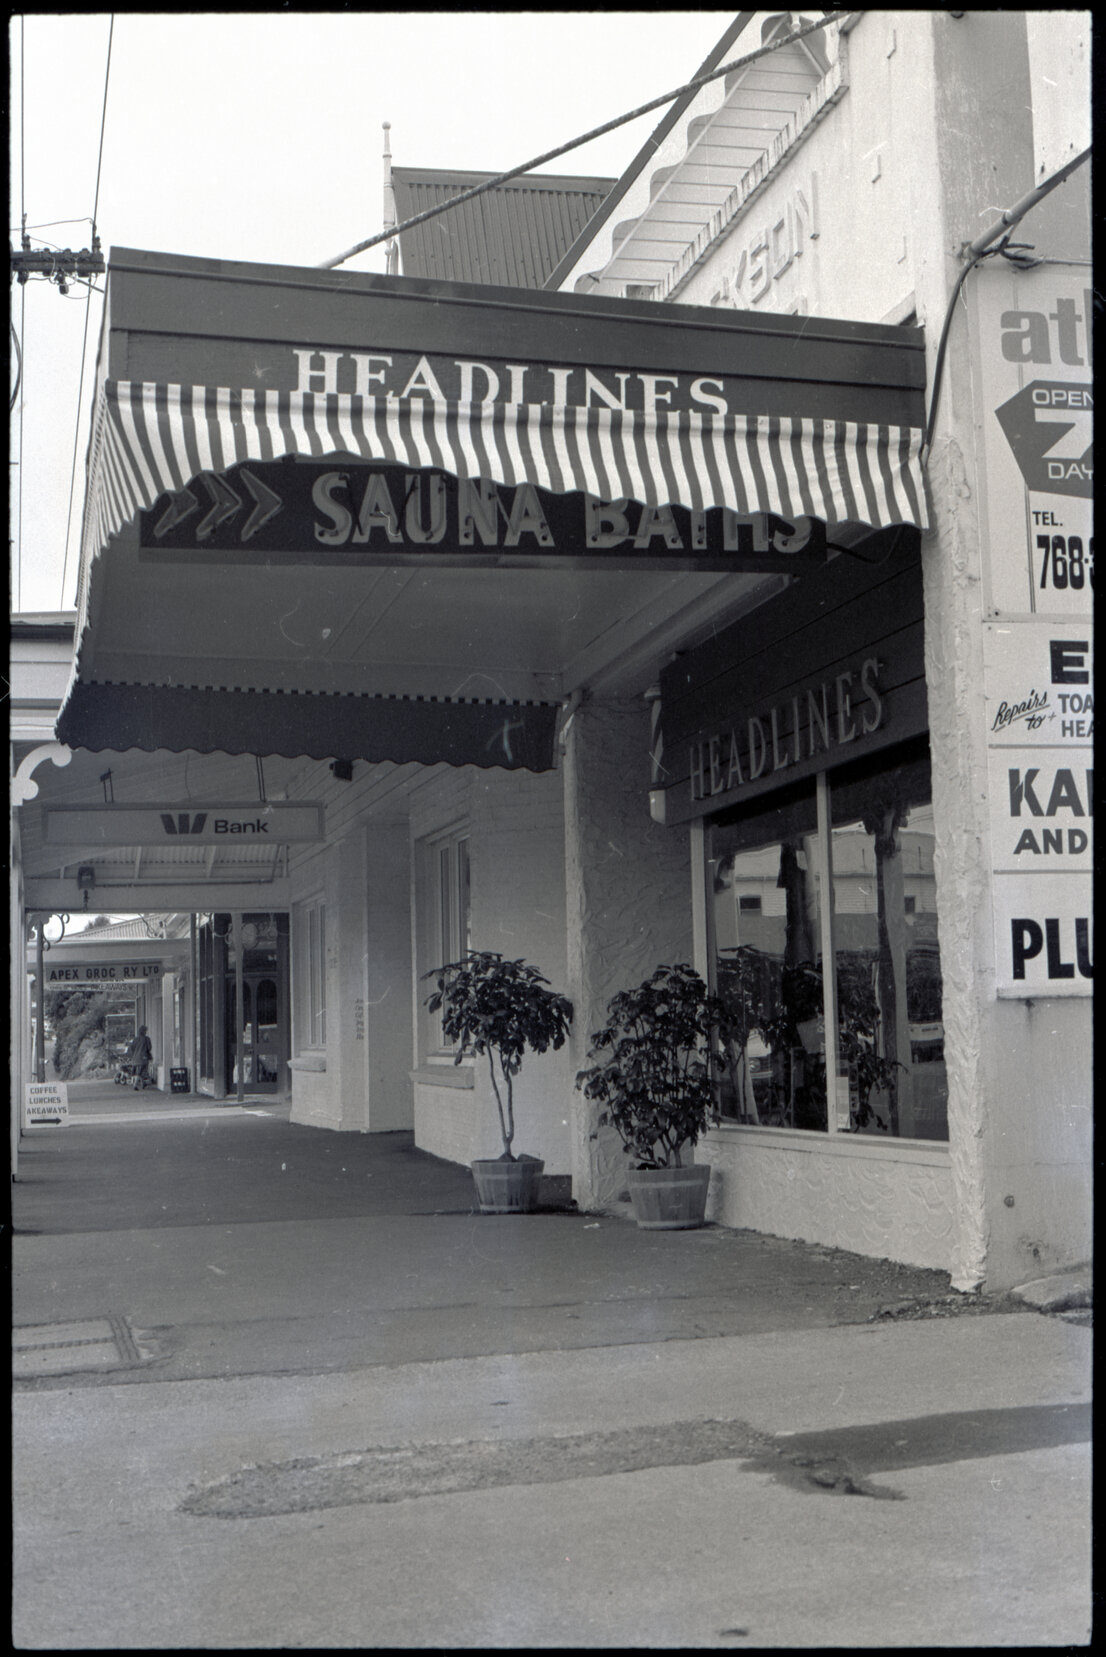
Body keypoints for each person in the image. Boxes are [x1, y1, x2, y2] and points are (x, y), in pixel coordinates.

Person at [127, 1025, 153, 1090]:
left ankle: (143, 1083)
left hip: (135, 1057)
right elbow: (149, 1048)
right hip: (143, 1057)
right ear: (144, 1031)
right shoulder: (147, 1039)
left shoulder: (135, 1039)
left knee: (138, 1071)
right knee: (141, 1071)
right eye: (146, 1031)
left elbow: (131, 1048)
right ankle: (135, 1085)